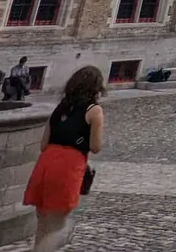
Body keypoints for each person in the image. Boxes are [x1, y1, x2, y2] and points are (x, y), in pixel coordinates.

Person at [23, 65, 104, 252]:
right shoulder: (94, 110)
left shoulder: (60, 107)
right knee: (58, 227)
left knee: (43, 222)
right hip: (69, 164)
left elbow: (43, 144)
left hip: (46, 161)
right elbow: (95, 146)